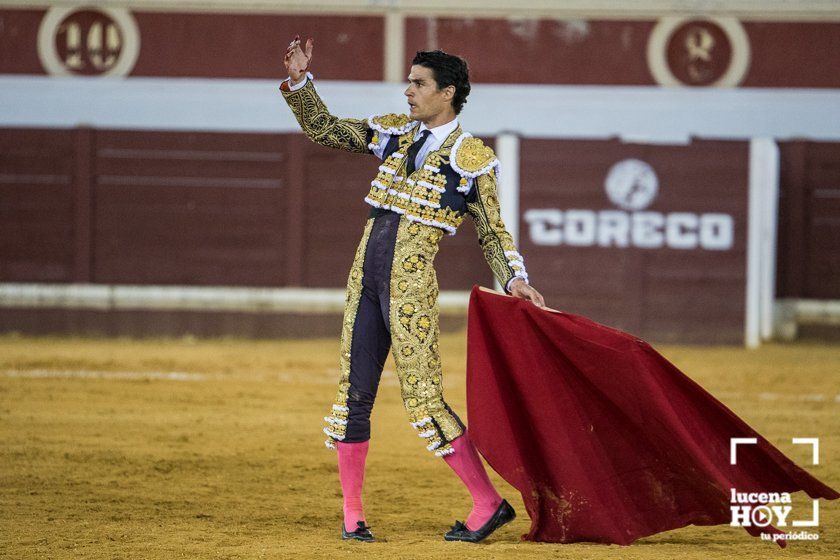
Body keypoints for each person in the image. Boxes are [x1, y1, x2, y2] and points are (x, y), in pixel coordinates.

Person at [280, 35, 545, 543]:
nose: (408, 92)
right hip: (365, 282)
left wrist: (515, 278)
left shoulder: (471, 158)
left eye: (418, 84)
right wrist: (299, 83)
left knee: (424, 399)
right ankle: (353, 516)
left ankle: (487, 503)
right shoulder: (396, 133)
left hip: (409, 288)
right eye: (409, 82)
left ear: (447, 93)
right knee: (353, 395)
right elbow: (326, 129)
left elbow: (491, 230)